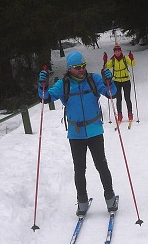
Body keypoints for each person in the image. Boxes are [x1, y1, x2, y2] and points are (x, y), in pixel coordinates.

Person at [38, 51, 119, 216]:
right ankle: (82, 202)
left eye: (83, 66)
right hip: (76, 134)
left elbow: (111, 94)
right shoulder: (63, 84)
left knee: (101, 165)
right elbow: (46, 98)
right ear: (69, 69)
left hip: (95, 130)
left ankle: (110, 200)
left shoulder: (94, 79)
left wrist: (109, 81)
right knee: (79, 169)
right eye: (77, 67)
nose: (81, 70)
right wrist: (42, 85)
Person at [104, 45, 135, 123]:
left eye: (118, 51)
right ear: (114, 52)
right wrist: (105, 61)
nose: (117, 53)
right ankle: (119, 115)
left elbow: (133, 64)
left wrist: (132, 58)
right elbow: (106, 67)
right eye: (115, 52)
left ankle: (130, 113)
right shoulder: (113, 60)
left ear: (121, 51)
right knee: (119, 99)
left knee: (127, 98)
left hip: (126, 80)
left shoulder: (125, 58)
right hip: (116, 81)